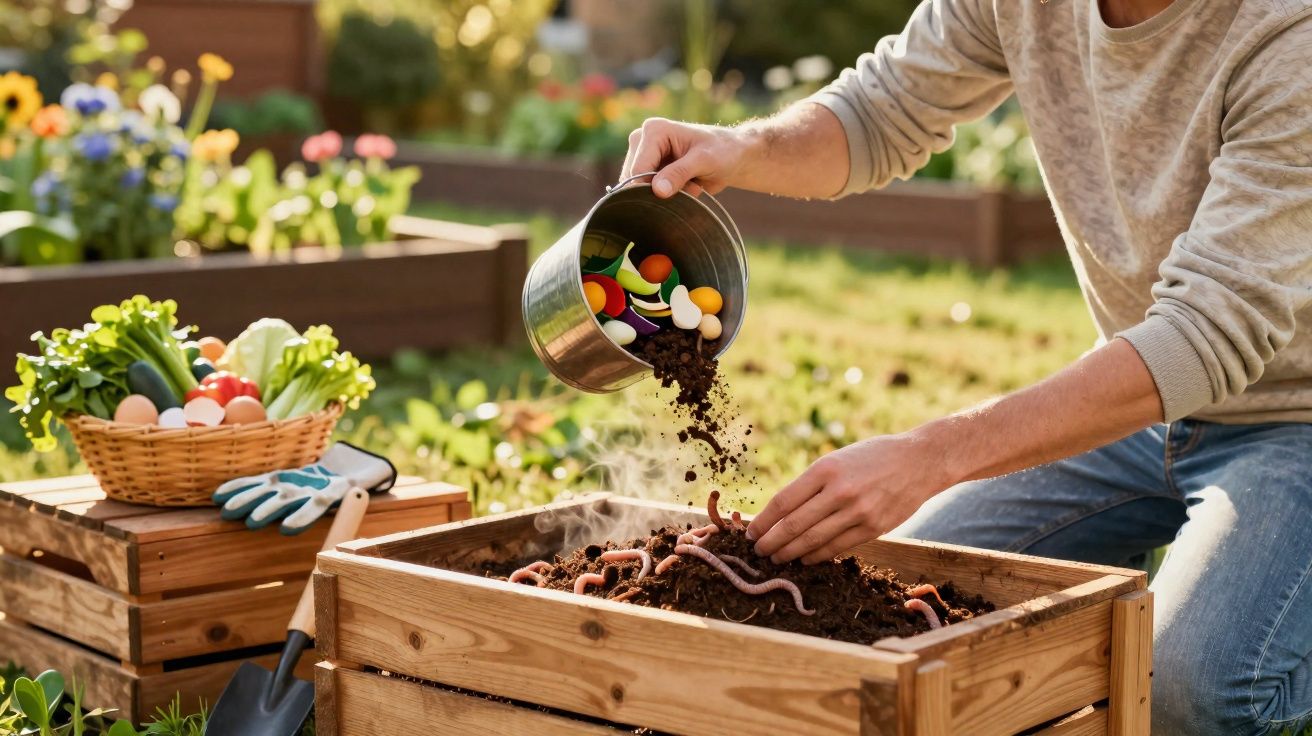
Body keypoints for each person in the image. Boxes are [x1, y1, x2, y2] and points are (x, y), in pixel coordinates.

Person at [620, 0, 1312, 733]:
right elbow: (879, 110)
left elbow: (1207, 335)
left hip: (1295, 418)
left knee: (1188, 689)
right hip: (1144, 403)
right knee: (915, 600)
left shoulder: (1288, 32)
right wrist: (740, 149)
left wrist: (933, 454)